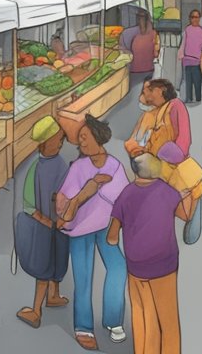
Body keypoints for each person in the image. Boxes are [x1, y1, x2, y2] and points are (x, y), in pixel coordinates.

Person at [57, 115, 130, 350]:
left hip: (106, 226)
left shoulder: (114, 165)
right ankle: (83, 327)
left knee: (118, 267)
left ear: (98, 137)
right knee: (83, 277)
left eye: (85, 138)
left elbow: (123, 198)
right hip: (80, 229)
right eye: (79, 139)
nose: (82, 143)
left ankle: (113, 320)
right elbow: (65, 201)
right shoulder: (78, 167)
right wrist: (87, 191)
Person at [108, 154, 192, 354]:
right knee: (168, 320)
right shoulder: (167, 192)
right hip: (164, 266)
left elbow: (111, 237)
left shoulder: (125, 194)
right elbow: (185, 215)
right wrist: (186, 195)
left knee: (143, 318)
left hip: (135, 269)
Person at [125, 79, 201, 241]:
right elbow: (133, 140)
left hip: (170, 164)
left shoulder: (175, 106)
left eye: (149, 90)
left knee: (177, 195)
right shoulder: (146, 116)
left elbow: (183, 142)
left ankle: (191, 208)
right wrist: (135, 149)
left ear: (160, 90)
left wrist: (166, 154)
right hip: (149, 165)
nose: (145, 94)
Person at [16, 117, 70, 329]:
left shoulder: (62, 163)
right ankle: (36, 310)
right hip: (45, 230)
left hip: (59, 228)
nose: (60, 143)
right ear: (45, 142)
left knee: (58, 262)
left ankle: (54, 295)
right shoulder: (35, 170)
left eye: (61, 139)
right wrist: (49, 222)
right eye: (57, 139)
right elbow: (29, 206)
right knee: (44, 268)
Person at [120, 10, 161, 102]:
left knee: (133, 96)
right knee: (145, 93)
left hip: (134, 70)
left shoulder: (128, 33)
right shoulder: (153, 33)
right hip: (148, 69)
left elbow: (123, 51)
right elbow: (156, 53)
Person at [179, 10, 202, 106]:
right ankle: (189, 98)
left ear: (199, 18)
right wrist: (181, 55)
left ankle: (198, 99)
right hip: (187, 60)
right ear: (190, 18)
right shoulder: (187, 30)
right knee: (188, 82)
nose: (195, 19)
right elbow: (183, 43)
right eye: (193, 17)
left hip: (197, 61)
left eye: (197, 17)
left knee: (197, 81)